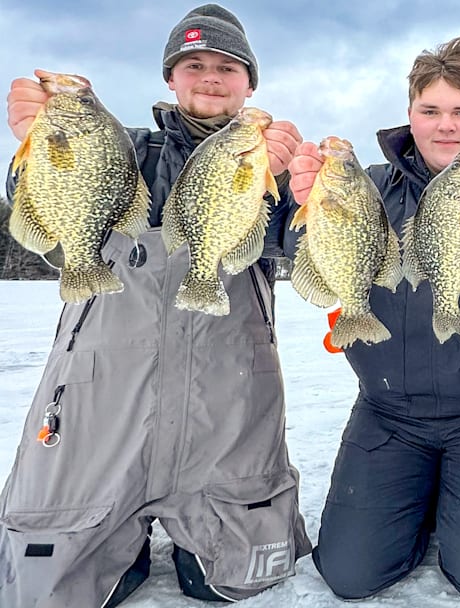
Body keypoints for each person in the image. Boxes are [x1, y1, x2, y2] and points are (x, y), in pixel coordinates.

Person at [0, 4, 312, 606]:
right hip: (103, 394)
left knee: (240, 579)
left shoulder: (272, 165)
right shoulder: (123, 147)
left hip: (225, 395)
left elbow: (299, 251)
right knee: (47, 585)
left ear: (250, 84)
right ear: (171, 77)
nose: (211, 77)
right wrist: (39, 146)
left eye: (228, 66)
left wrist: (296, 191)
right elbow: (53, 225)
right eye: (194, 64)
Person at [285, 36, 460, 602]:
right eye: (431, 111)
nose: (446, 126)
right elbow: (292, 241)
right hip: (389, 412)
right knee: (350, 576)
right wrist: (297, 194)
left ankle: (458, 497)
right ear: (409, 116)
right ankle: (422, 495)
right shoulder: (366, 188)